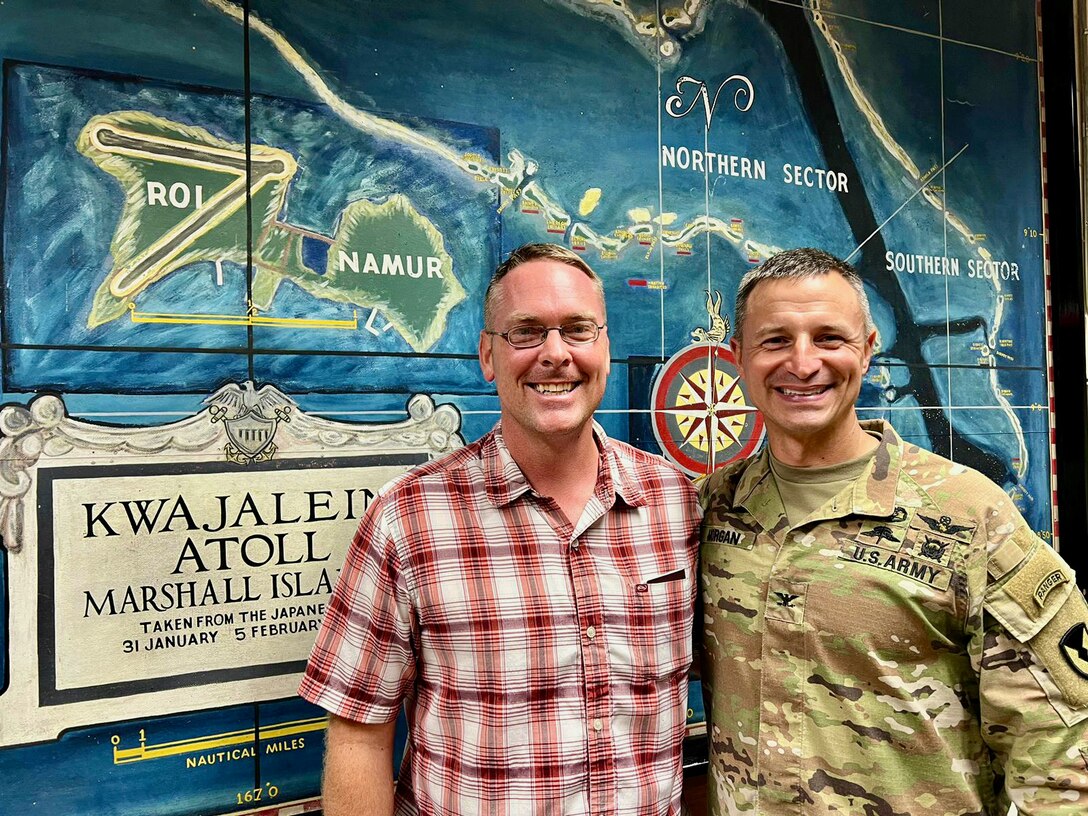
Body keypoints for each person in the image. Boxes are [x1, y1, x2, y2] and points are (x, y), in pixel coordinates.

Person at [299, 242, 701, 815]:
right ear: (488, 356)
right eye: (527, 332)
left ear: (605, 348)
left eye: (578, 330)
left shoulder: (675, 504)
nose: (555, 354)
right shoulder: (408, 518)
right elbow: (360, 733)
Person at [699, 247, 1088, 814]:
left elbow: (1061, 750)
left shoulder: (969, 515)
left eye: (829, 338)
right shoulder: (716, 506)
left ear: (868, 348)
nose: (803, 363)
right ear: (738, 356)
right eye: (775, 340)